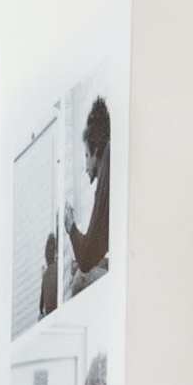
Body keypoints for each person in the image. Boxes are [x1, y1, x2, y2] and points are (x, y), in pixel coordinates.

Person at [62, 96, 112, 296]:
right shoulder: (112, 158)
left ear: (96, 150)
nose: (85, 167)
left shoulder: (108, 162)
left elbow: (86, 257)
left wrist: (71, 227)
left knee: (78, 280)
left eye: (86, 156)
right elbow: (96, 248)